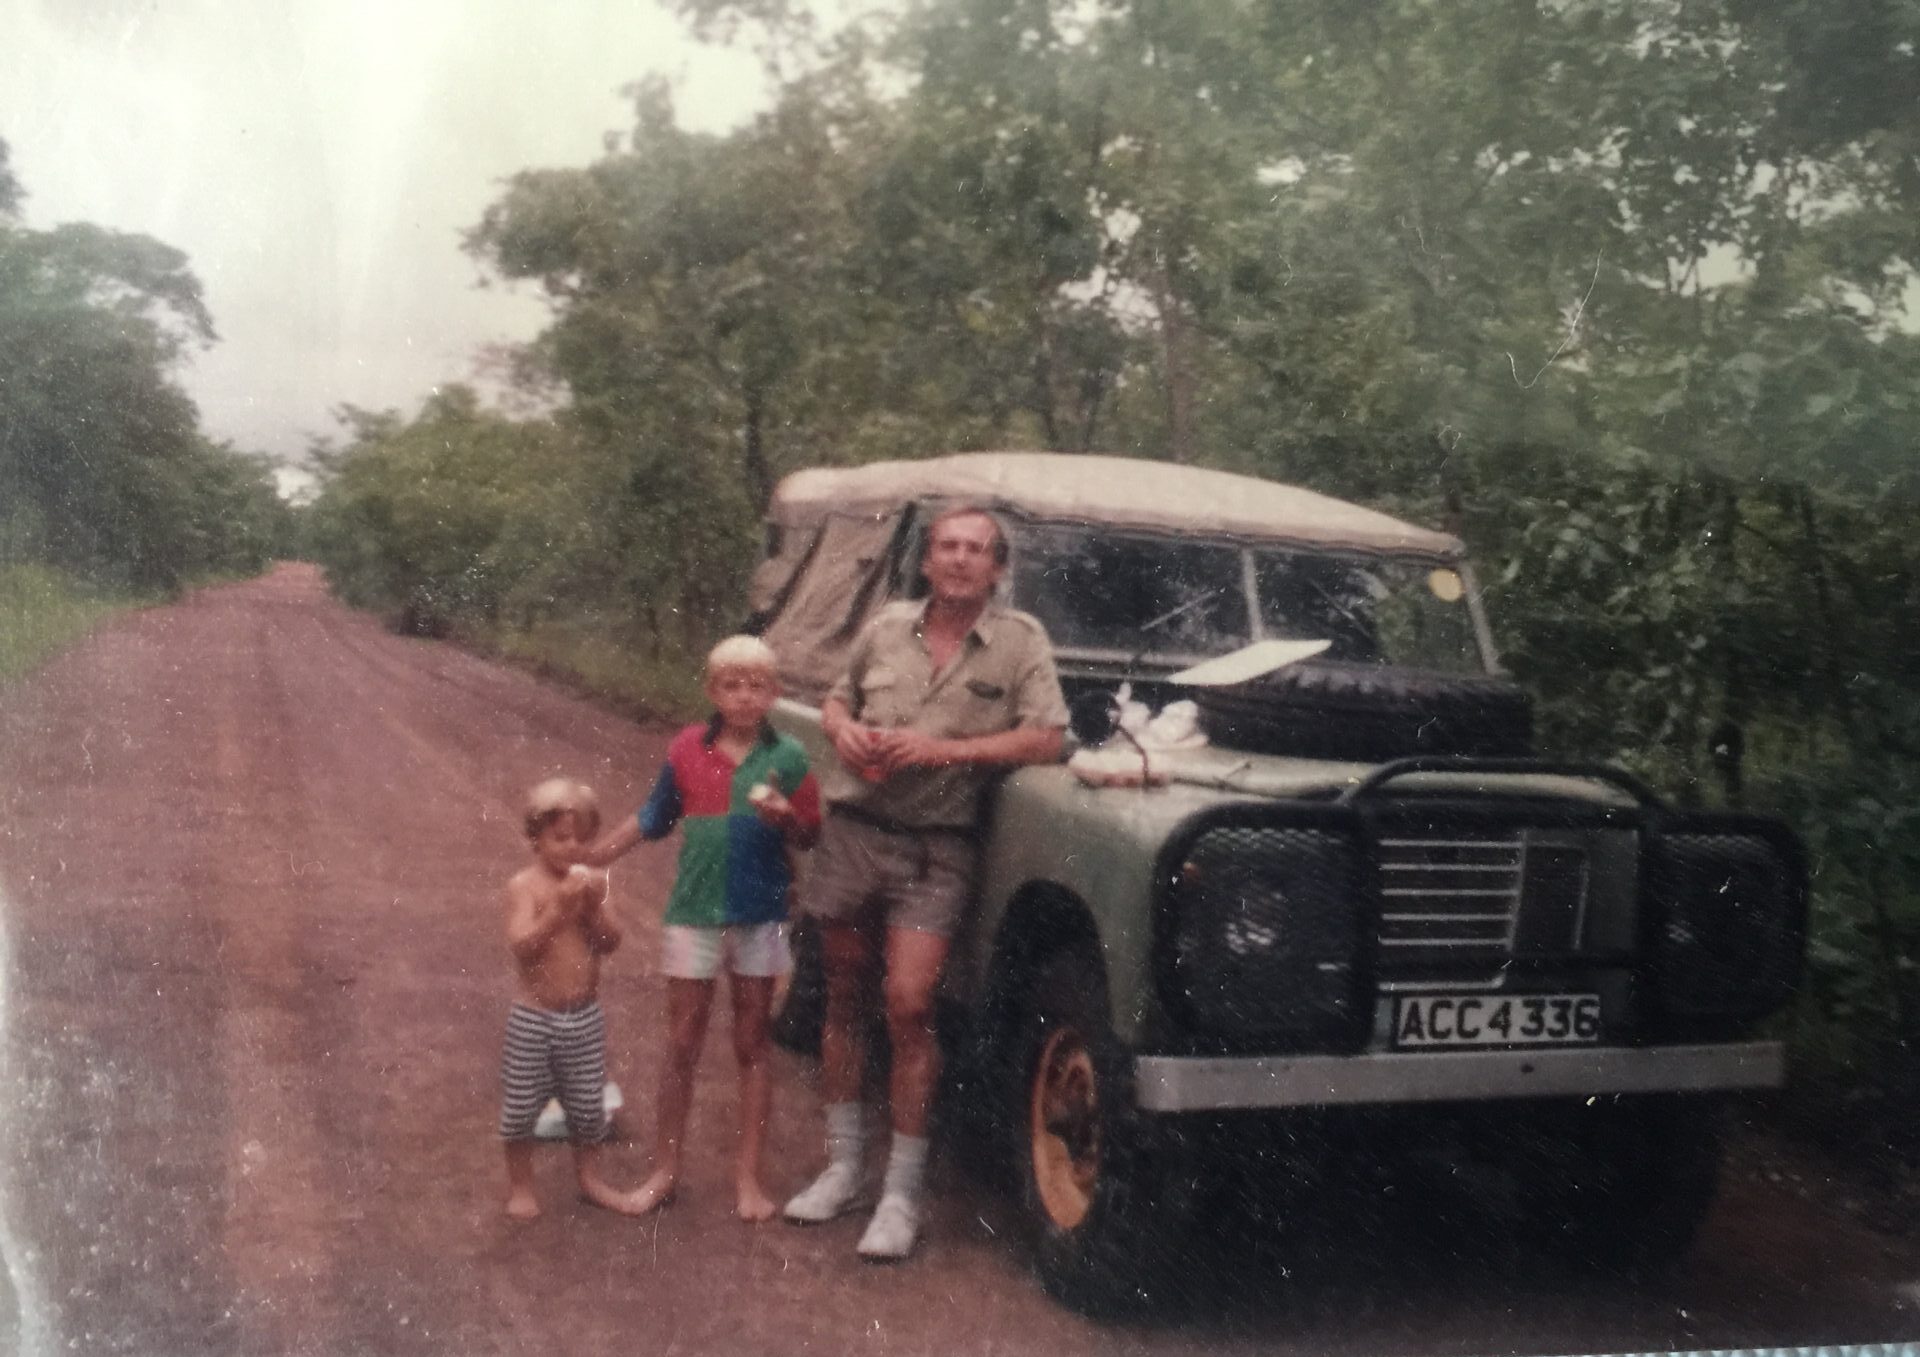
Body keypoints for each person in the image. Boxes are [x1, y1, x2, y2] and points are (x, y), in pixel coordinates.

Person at [783, 505, 1068, 1260]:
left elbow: (1048, 737)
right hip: (855, 831)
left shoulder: (1020, 641)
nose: (960, 558)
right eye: (948, 546)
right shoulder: (885, 627)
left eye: (977, 549)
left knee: (910, 1004)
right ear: (928, 560)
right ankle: (844, 1168)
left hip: (937, 849)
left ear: (997, 567)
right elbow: (836, 699)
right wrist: (843, 730)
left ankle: (900, 1194)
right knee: (844, 994)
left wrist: (947, 751)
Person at [583, 635, 822, 1220]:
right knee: (682, 1042)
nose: (744, 697)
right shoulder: (688, 747)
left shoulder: (790, 756)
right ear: (713, 692)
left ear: (775, 694)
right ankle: (663, 1171)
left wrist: (787, 817)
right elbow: (653, 816)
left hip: (761, 917)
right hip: (694, 912)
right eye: (731, 685)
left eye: (756, 686)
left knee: (752, 1042)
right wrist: (596, 856)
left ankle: (748, 1178)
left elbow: (812, 834)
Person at [499, 777, 651, 1219]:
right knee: (520, 1108)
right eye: (560, 838)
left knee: (587, 1108)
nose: (572, 848)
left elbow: (611, 942)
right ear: (536, 839)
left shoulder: (595, 884)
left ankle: (590, 1179)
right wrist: (558, 911)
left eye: (582, 839)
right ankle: (521, 1186)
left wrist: (593, 910)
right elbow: (522, 945)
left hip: (583, 1018)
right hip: (534, 1018)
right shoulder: (524, 886)